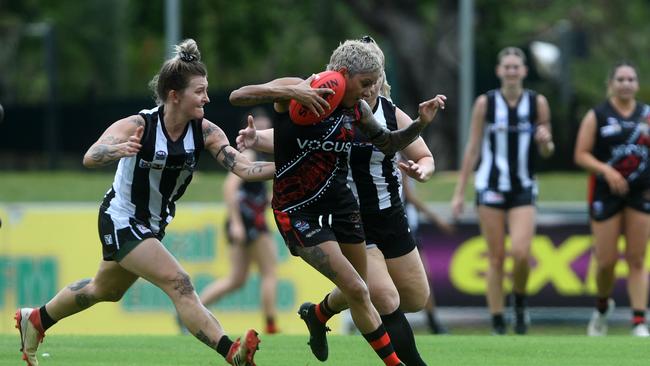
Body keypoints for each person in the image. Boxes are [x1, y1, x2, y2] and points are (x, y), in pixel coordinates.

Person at [14, 39, 273, 366]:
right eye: (200, 91)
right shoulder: (140, 125)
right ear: (174, 96)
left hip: (151, 225)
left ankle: (35, 320)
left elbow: (244, 168)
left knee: (103, 290)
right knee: (180, 284)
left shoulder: (205, 132)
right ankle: (231, 352)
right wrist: (116, 150)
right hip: (120, 218)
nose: (207, 97)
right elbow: (90, 156)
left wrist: (292, 166)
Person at [235, 37, 446, 365]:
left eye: (375, 82)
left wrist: (422, 150)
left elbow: (402, 146)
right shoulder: (319, 100)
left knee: (415, 298)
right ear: (348, 75)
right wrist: (258, 137)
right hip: (349, 214)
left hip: (389, 213)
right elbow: (296, 135)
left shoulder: (376, 112)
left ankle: (319, 313)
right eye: (366, 82)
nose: (370, 88)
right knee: (382, 297)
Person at [451, 46, 554, 335]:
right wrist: (460, 192)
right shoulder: (486, 104)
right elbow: (472, 149)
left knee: (521, 253)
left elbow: (548, 149)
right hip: (490, 186)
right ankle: (497, 320)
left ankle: (519, 303)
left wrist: (546, 142)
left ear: (524, 71)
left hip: (523, 186)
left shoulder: (537, 103)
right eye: (506, 66)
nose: (511, 71)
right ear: (499, 71)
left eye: (516, 67)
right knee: (495, 257)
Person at [574, 61, 650, 337]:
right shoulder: (598, 115)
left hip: (640, 193)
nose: (626, 84)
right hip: (605, 194)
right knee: (606, 261)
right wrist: (607, 170)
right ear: (612, 83)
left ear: (637, 84)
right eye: (621, 79)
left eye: (631, 79)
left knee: (637, 258)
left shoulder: (647, 116)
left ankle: (639, 321)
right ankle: (603, 306)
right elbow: (581, 154)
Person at [198, 108, 279, 335]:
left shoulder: (260, 157)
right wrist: (236, 223)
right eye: (258, 127)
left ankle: (194, 311)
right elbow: (229, 188)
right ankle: (271, 326)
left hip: (247, 220)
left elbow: (262, 195)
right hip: (248, 220)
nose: (263, 132)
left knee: (236, 279)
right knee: (270, 272)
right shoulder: (251, 155)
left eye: (267, 127)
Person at [401, 166, 453, 335]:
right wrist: (436, 219)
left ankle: (433, 322)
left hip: (411, 228)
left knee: (423, 276)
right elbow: (409, 197)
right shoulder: (395, 159)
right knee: (419, 276)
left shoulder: (403, 159)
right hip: (401, 228)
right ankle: (432, 323)